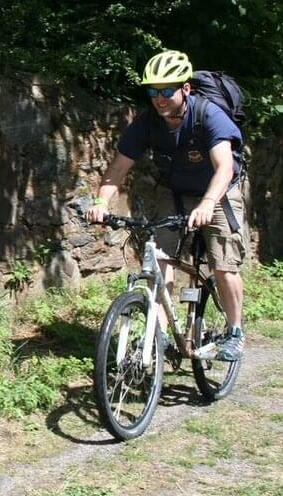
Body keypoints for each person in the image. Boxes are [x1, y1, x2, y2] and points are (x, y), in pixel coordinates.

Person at [85, 49, 247, 361]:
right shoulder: (148, 122)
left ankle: (235, 332)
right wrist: (101, 202)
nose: (159, 98)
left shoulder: (208, 116)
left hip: (218, 194)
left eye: (166, 91)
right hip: (174, 193)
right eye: (152, 92)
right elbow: (118, 167)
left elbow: (225, 168)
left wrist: (207, 203)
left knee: (223, 266)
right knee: (159, 260)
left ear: (185, 88)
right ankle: (157, 333)